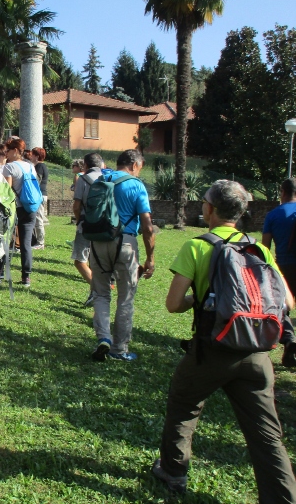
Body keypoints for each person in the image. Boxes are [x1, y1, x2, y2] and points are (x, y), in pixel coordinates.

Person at [153, 180, 296, 501]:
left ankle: (173, 472)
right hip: (258, 354)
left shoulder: (198, 246)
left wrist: (202, 301)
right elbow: (287, 302)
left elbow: (174, 304)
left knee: (184, 404)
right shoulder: (257, 249)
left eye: (204, 201)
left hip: (212, 349)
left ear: (211, 209)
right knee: (267, 435)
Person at [90, 149, 154, 362]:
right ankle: (119, 348)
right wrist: (150, 257)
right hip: (125, 241)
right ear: (134, 165)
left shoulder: (102, 178)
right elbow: (147, 226)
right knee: (125, 298)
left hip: (97, 240)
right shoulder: (136, 185)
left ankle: (103, 338)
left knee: (100, 293)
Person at [3, 137, 38, 287]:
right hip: (31, 207)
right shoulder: (30, 166)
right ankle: (26, 277)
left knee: (6, 238)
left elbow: (7, 190)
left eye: (8, 151)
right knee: (25, 243)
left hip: (16, 208)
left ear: (16, 151)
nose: (6, 154)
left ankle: (0, 269)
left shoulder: (9, 167)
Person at [72, 152, 104, 306]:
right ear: (101, 165)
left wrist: (79, 221)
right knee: (95, 262)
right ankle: (95, 293)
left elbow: (76, 206)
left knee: (79, 261)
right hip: (105, 226)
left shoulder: (82, 179)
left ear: (85, 165)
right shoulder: (108, 178)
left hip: (86, 224)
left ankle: (98, 290)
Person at [262, 178, 296, 294]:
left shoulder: (272, 215)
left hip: (283, 267)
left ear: (283, 192)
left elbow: (265, 247)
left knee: (283, 305)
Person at [30, 147, 49, 250]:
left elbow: (37, 181)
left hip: (39, 195)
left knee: (38, 218)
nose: (30, 156)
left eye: (32, 154)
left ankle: (40, 242)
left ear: (37, 156)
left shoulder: (40, 167)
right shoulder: (39, 166)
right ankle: (37, 241)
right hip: (40, 195)